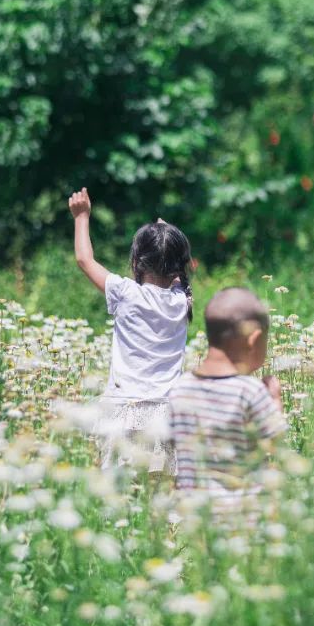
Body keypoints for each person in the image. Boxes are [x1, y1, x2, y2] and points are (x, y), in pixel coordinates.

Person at [68, 187, 193, 474]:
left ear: (136, 263)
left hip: (123, 410)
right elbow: (178, 271)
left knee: (118, 494)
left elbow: (85, 260)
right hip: (165, 413)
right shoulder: (181, 301)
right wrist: (167, 234)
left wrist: (82, 216)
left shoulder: (125, 293)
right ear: (178, 268)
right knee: (159, 495)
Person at [169, 287, 287, 516]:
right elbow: (275, 442)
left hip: (194, 515)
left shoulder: (180, 388)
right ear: (254, 339)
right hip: (241, 516)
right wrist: (275, 399)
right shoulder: (249, 391)